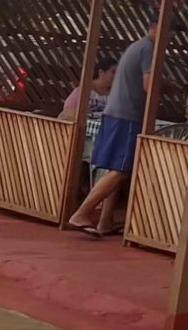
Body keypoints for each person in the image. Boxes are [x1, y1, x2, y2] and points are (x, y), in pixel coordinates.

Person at [67, 12, 158, 237]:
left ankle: (105, 220)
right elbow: (149, 85)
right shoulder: (148, 49)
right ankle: (82, 213)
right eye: (172, 31)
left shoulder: (136, 47)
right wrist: (166, 87)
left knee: (117, 169)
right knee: (120, 170)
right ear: (156, 26)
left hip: (115, 114)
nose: (172, 36)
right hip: (127, 116)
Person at [59, 55, 115, 123]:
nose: (117, 75)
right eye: (113, 72)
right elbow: (68, 112)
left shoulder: (116, 94)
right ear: (101, 72)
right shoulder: (84, 90)